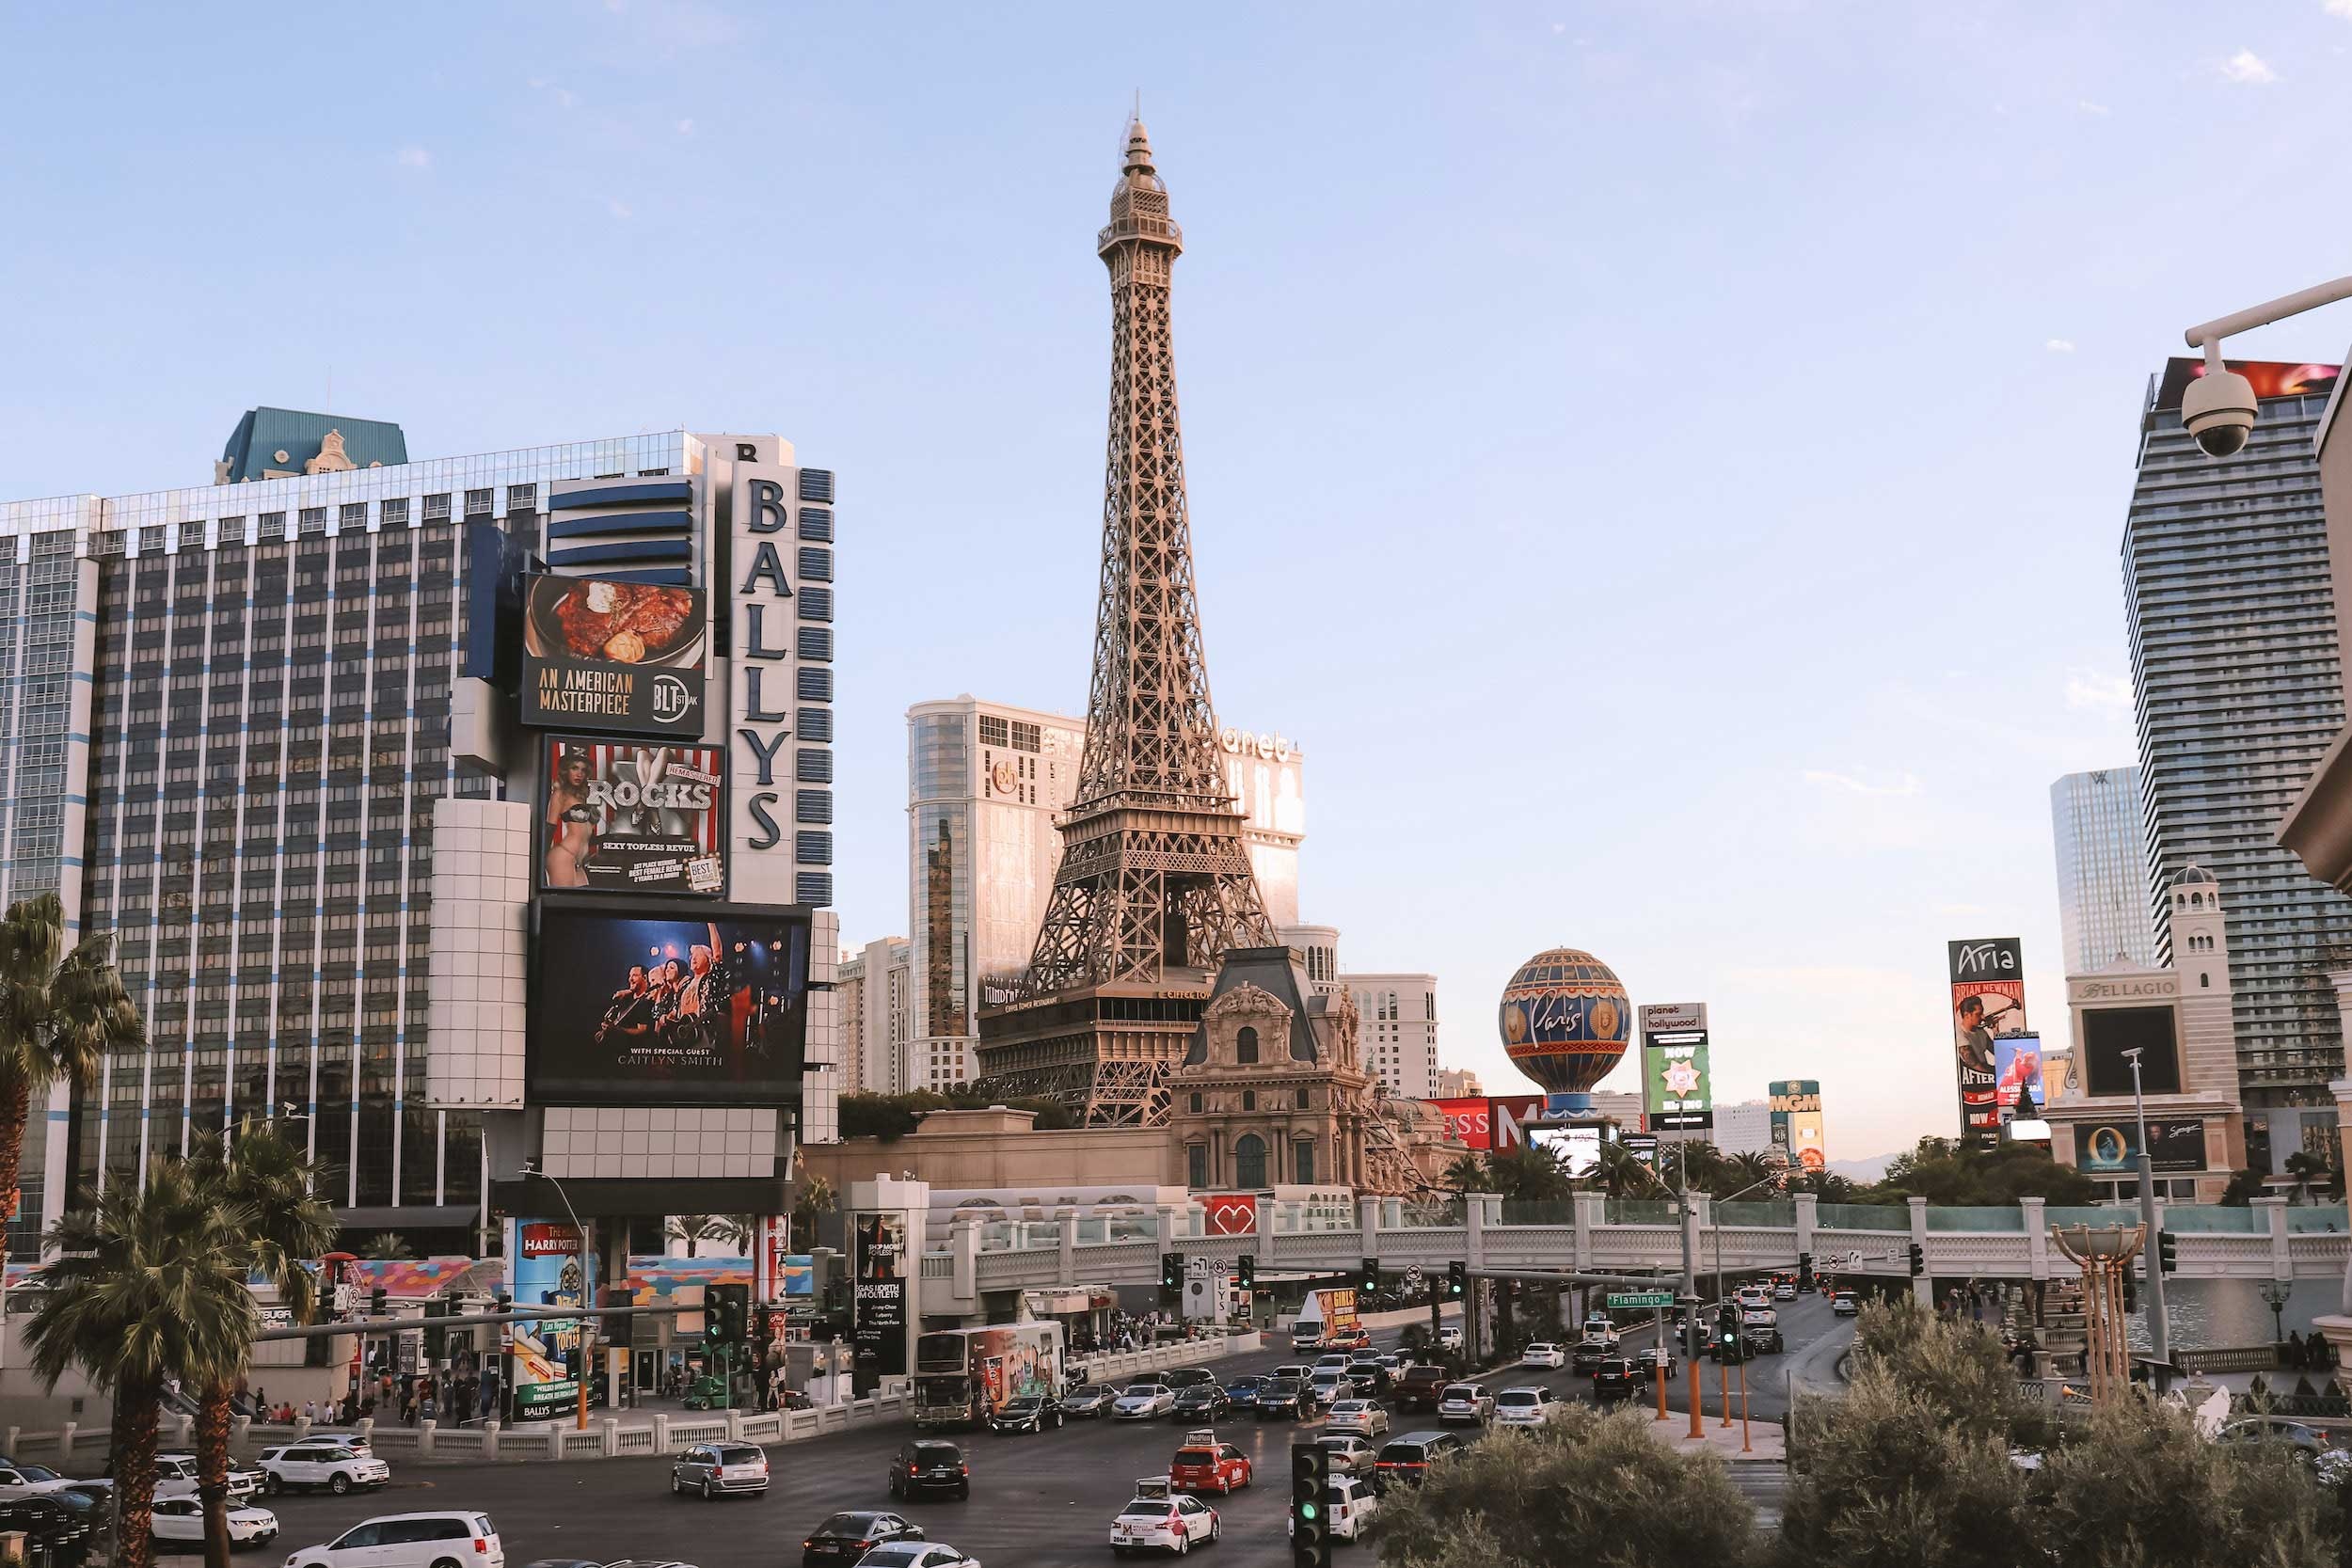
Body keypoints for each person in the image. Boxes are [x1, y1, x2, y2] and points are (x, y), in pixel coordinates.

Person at [544, 747, 598, 887]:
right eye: (574, 768)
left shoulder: (581, 796)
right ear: (565, 770)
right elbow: (549, 828)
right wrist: (538, 862)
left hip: (578, 862)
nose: (579, 774)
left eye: (583, 770)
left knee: (582, 904)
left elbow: (584, 832)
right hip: (563, 856)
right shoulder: (559, 795)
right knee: (562, 903)